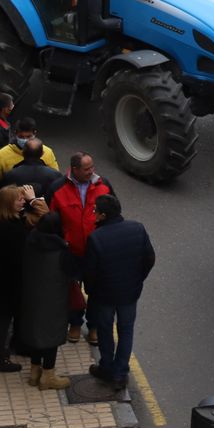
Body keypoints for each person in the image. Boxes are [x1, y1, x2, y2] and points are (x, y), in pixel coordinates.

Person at [84, 194, 155, 391]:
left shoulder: (96, 238)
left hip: (104, 296)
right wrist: (138, 279)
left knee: (105, 331)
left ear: (103, 215)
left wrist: (91, 292)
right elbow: (149, 258)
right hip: (129, 293)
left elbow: (91, 272)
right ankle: (120, 373)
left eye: (95, 211)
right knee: (126, 331)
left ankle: (106, 366)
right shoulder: (137, 229)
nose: (93, 213)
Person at [47, 153, 113, 345]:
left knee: (97, 293)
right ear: (74, 170)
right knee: (73, 291)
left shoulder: (104, 185)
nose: (91, 171)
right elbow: (50, 221)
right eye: (86, 169)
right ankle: (75, 324)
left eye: (92, 167)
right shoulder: (57, 189)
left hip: (96, 254)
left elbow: (114, 213)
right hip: (71, 253)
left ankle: (93, 327)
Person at [18, 211, 75, 391]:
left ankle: (35, 371)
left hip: (31, 296)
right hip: (54, 299)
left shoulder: (29, 242)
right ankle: (48, 376)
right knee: (51, 336)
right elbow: (71, 273)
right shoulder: (61, 250)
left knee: (36, 332)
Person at [0, 185, 35, 373]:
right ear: (8, 204)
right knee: (2, 322)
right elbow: (19, 259)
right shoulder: (13, 230)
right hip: (7, 284)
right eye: (19, 199)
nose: (23, 201)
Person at [0, 116, 59, 191]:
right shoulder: (1, 155)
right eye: (21, 137)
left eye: (28, 136)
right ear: (15, 134)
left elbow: (55, 178)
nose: (25, 140)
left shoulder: (48, 152)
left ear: (35, 133)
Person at [0, 138, 64, 201]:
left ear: (23, 153)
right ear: (42, 153)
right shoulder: (55, 176)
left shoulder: (10, 175)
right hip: (45, 212)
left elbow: (0, 197)